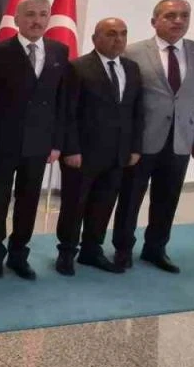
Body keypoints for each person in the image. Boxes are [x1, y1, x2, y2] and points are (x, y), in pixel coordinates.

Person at [112, 0, 194, 273]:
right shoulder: (132, 52)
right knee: (130, 198)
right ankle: (123, 249)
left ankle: (156, 249)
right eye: (170, 16)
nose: (178, 21)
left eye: (184, 15)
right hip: (142, 141)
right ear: (154, 21)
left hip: (181, 139)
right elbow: (124, 101)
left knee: (167, 199)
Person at [0, 0, 69, 281]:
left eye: (43, 14)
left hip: (39, 143)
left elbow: (61, 101)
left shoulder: (59, 51)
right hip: (4, 142)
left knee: (29, 201)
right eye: (30, 14)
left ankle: (19, 254)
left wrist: (56, 143)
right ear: (17, 19)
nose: (37, 20)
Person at [55, 17, 143, 276]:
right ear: (95, 39)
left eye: (123, 33)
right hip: (83, 153)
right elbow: (67, 112)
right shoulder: (78, 67)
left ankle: (92, 250)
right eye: (111, 33)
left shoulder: (132, 68)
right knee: (74, 205)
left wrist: (135, 147)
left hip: (118, 153)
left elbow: (137, 112)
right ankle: (66, 253)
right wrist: (71, 149)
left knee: (104, 204)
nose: (118, 39)